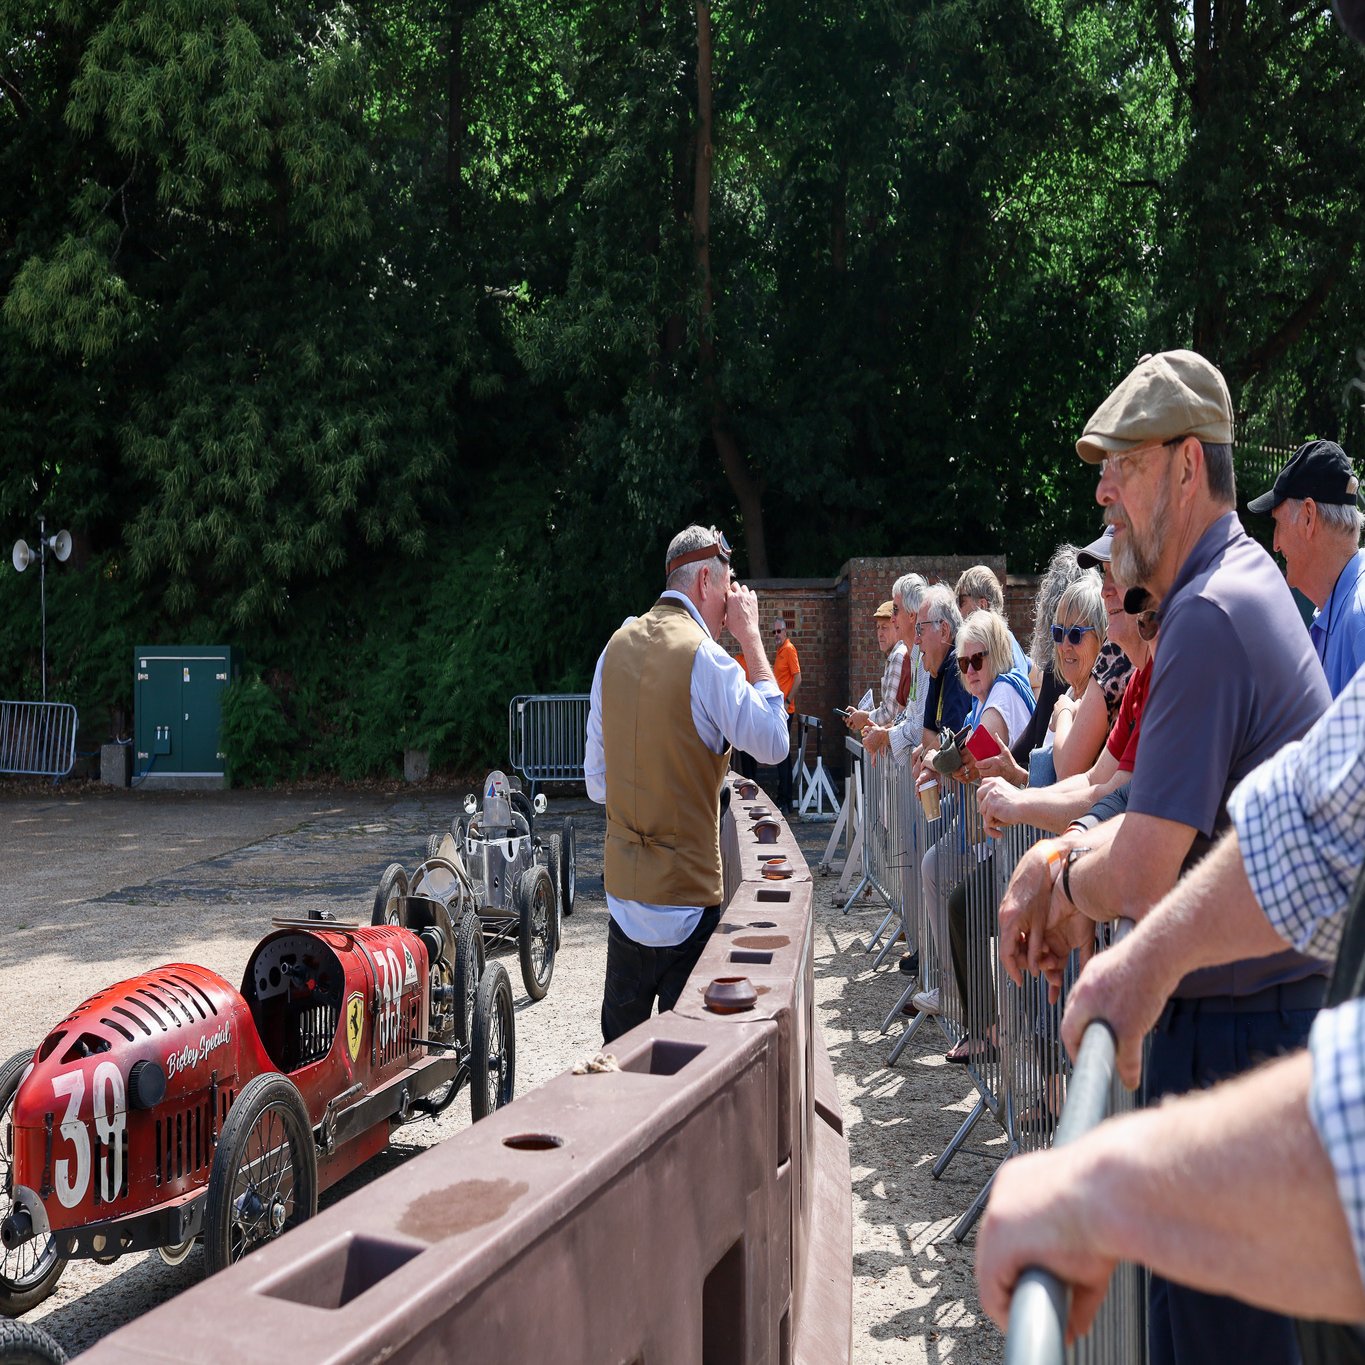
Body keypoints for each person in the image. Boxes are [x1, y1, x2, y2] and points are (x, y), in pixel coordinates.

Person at [995, 349, 1332, 1365]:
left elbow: (1144, 867)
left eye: (1123, 465)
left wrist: (1057, 871)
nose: (1102, 489)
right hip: (1241, 1021)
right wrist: (1071, 860)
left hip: (1243, 1034)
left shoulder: (1211, 613)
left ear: (1186, 468)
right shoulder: (1227, 593)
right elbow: (1151, 833)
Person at [977, 668, 1365, 1359]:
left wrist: (1098, 1192)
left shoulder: (1207, 619)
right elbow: (1309, 833)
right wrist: (1142, 960)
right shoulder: (1196, 619)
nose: (1110, 576)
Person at [584, 524, 790, 1043]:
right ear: (705, 582)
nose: (732, 603)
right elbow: (774, 742)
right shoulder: (709, 659)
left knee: (617, 1062)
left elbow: (597, 784)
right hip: (687, 900)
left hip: (626, 897)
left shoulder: (613, 648)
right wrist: (751, 639)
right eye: (729, 588)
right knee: (683, 1066)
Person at [911, 609, 1033, 1018]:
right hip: (989, 833)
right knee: (936, 873)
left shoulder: (1005, 693)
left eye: (976, 660)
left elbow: (969, 752)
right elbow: (962, 759)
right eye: (962, 663)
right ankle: (961, 998)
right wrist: (942, 761)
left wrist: (935, 759)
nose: (969, 670)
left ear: (995, 654)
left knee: (964, 906)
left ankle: (983, 1020)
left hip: (1015, 842)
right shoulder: (982, 700)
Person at [1248, 438, 1365, 697]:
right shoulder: (1340, 608)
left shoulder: (1360, 618)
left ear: (1309, 518)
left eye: (1278, 523)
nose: (1275, 544)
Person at [861, 574, 930, 765]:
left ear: (911, 615)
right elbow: (909, 716)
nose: (892, 619)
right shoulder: (914, 656)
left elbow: (919, 727)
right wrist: (885, 733)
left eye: (895, 611)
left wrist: (885, 736)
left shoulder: (924, 657)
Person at [955, 564, 1030, 674]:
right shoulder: (1008, 641)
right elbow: (1037, 677)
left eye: (961, 601)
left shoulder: (993, 646)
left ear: (982, 605)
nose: (959, 609)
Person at [845, 599, 905, 735]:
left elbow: (889, 713)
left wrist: (864, 718)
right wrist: (861, 717)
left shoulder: (898, 656)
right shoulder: (894, 656)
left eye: (884, 627)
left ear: (897, 627)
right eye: (878, 628)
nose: (879, 633)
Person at [771, 616, 801, 809]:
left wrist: (787, 701)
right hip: (781, 711)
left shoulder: (789, 650)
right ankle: (783, 797)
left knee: (783, 753)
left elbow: (798, 678)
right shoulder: (780, 651)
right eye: (773, 632)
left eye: (779, 631)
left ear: (785, 631)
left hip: (786, 710)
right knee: (781, 753)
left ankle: (786, 799)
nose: (776, 635)